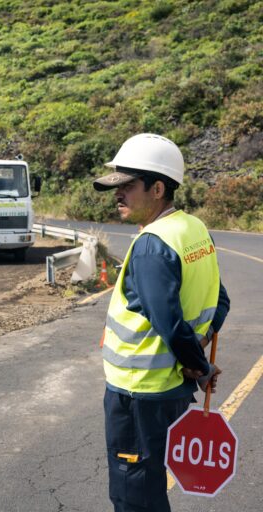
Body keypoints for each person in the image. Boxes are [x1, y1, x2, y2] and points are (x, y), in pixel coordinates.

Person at [93, 133, 230, 512]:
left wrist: (198, 364)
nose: (118, 195)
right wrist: (199, 356)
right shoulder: (194, 229)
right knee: (150, 487)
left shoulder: (152, 245)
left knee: (134, 494)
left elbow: (168, 323)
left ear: (157, 189)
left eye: (128, 187)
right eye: (117, 187)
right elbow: (220, 300)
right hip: (172, 391)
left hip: (139, 394)